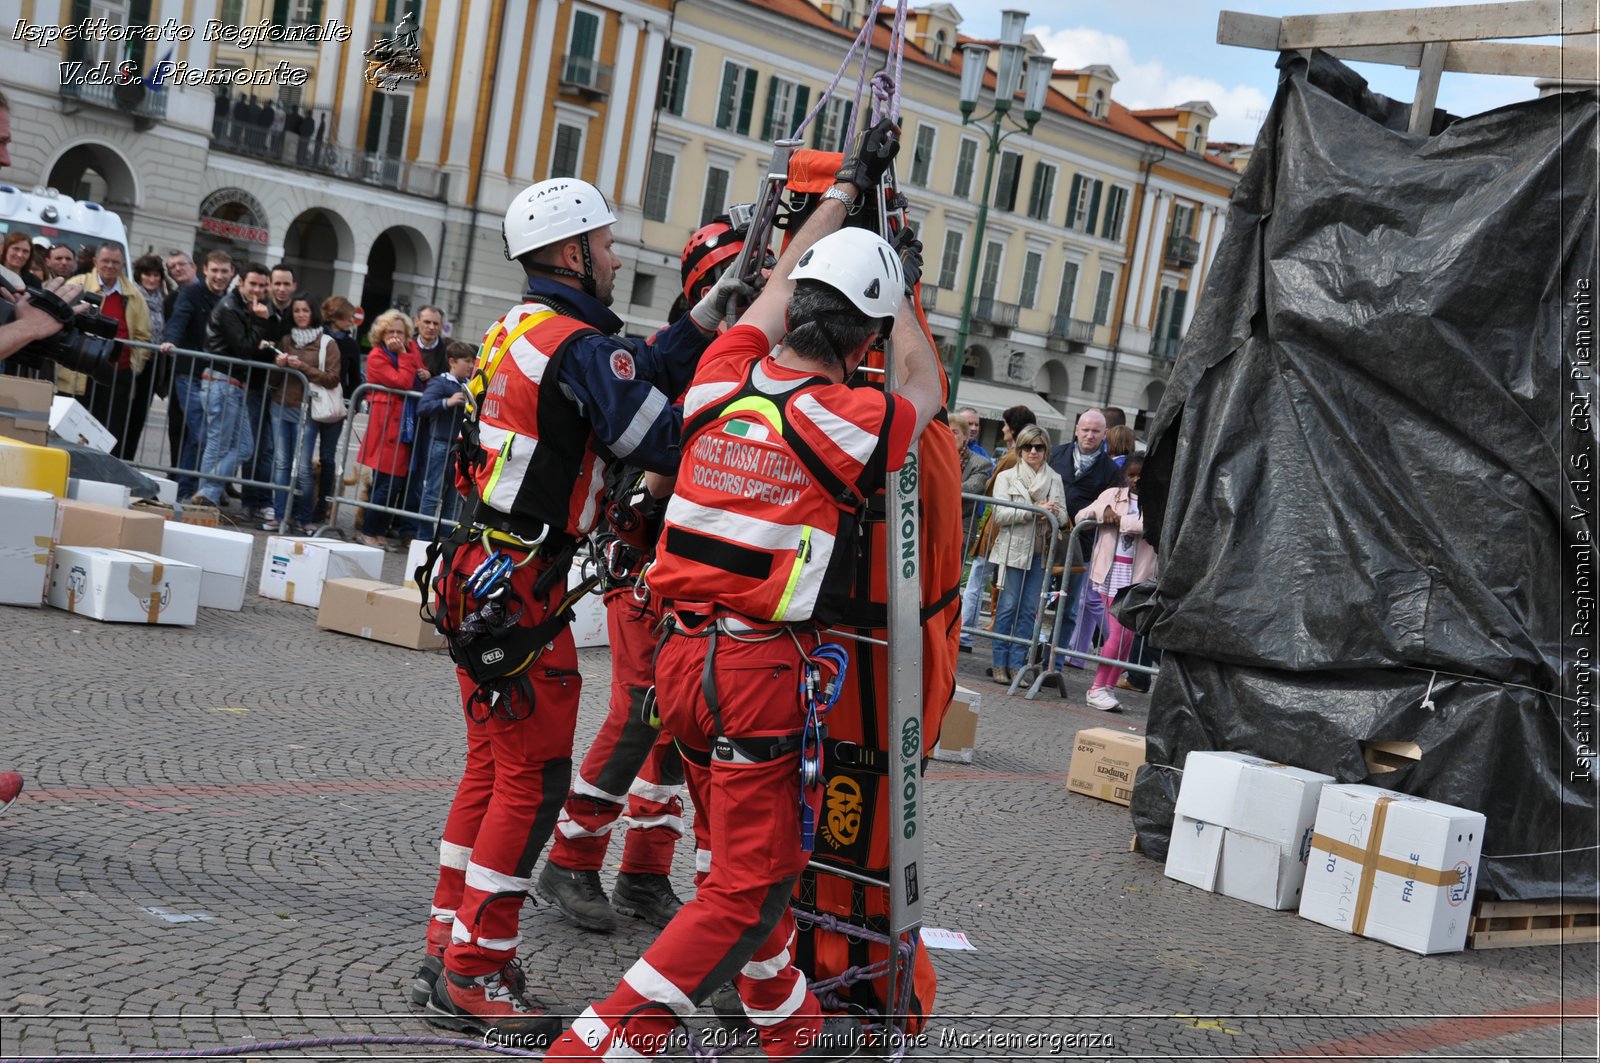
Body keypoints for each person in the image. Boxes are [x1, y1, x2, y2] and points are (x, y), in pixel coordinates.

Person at [540, 122, 937, 1063]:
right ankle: (595, 1046)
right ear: (863, 336)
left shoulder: (721, 382)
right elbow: (923, 378)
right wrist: (905, 284)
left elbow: (762, 293)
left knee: (764, 870)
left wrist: (841, 194)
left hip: (681, 660)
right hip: (757, 671)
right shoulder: (851, 418)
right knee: (742, 885)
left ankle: (787, 1030)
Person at [415, 176, 733, 1040]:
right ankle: (476, 969)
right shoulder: (578, 346)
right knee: (533, 777)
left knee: (492, 767)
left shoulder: (523, 326)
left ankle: (451, 942)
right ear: (571, 252)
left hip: (481, 569)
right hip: (519, 581)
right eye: (606, 243)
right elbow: (661, 433)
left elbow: (636, 368)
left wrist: (705, 322)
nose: (617, 256)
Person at [535, 215, 758, 939]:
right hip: (643, 561)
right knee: (639, 711)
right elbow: (644, 473)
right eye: (744, 288)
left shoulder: (742, 358)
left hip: (694, 572)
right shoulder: (685, 361)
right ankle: (571, 856)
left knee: (673, 726)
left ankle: (644, 869)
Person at [189, 262, 275, 509]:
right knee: (218, 444)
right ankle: (207, 495)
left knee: (245, 446)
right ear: (241, 283)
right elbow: (244, 348)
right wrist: (260, 324)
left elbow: (246, 345)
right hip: (221, 382)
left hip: (233, 384)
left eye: (261, 285)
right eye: (252, 284)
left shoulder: (245, 307)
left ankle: (207, 491)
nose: (257, 290)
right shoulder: (230, 307)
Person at [985, 424, 1066, 685]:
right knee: (1007, 608)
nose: (1034, 451)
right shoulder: (1007, 477)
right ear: (1020, 449)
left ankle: (1017, 666)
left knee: (1030, 611)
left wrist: (1054, 512)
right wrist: (1033, 510)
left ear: (1046, 450)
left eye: (1039, 447)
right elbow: (999, 514)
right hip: (1012, 551)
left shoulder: (1054, 478)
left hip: (1040, 553)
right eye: (1028, 446)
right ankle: (999, 663)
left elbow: (1065, 516)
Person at [1077, 456, 1156, 711]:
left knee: (1128, 637)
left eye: (1141, 476)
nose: (1136, 481)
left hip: (1139, 575)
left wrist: (1121, 521)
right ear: (1125, 476)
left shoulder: (1158, 499)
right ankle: (1097, 687)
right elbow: (1082, 515)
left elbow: (1153, 526)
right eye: (1131, 475)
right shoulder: (1112, 494)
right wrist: (1104, 511)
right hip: (1111, 572)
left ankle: (1108, 685)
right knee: (1119, 634)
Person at [958, 405, 1034, 653]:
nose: (1002, 429)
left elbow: (990, 489)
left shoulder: (1013, 456)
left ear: (1012, 429)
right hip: (1008, 526)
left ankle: (966, 635)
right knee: (999, 585)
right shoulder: (1021, 455)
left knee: (978, 580)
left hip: (1001, 526)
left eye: (1005, 425)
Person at [68, 243, 154, 460]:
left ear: (122, 265)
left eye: (115, 262)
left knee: (110, 431)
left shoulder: (134, 295)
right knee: (74, 430)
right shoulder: (76, 286)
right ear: (95, 261)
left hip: (118, 375)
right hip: (79, 373)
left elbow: (144, 336)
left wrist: (135, 365)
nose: (110, 266)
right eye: (105, 261)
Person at [162, 250, 234, 499]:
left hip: (218, 377)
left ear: (231, 273)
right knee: (201, 433)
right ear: (205, 270)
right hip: (189, 374)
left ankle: (204, 489)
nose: (219, 276)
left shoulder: (232, 298)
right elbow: (179, 319)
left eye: (224, 271)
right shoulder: (191, 293)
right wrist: (171, 340)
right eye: (215, 270)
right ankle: (186, 491)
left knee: (212, 436)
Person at [267, 293, 339, 533]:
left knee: (305, 468)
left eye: (305, 310)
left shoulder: (326, 342)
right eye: (296, 310)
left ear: (313, 313)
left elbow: (332, 378)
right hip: (280, 404)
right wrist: (278, 366)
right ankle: (280, 515)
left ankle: (304, 518)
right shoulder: (285, 339)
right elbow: (274, 379)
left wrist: (303, 367)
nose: (300, 315)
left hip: (306, 409)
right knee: (281, 464)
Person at [356, 309, 426, 548]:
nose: (396, 336)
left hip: (403, 427)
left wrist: (421, 369)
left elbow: (419, 374)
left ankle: (378, 530)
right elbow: (403, 382)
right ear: (382, 334)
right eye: (391, 331)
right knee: (386, 484)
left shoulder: (410, 350)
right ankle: (369, 530)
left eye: (400, 331)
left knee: (392, 484)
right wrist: (405, 357)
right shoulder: (377, 357)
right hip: (386, 426)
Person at [243, 265, 296, 524]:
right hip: (255, 385)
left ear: (293, 286)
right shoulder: (259, 309)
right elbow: (249, 345)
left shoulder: (297, 314)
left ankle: (265, 501)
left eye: (287, 284)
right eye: (277, 284)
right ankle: (250, 500)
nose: (282, 289)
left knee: (272, 449)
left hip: (282, 391)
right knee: (253, 445)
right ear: (270, 286)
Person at [412, 340, 471, 531]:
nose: (471, 366)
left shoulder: (471, 385)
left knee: (455, 496)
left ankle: (446, 537)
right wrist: (447, 402)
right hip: (441, 443)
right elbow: (423, 407)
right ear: (452, 361)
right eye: (467, 361)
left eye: (472, 361)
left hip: (462, 447)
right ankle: (424, 536)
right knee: (432, 492)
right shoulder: (440, 382)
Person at [316, 296, 362, 524]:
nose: (352, 322)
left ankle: (322, 505)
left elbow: (354, 378)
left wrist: (353, 402)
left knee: (328, 456)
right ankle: (304, 502)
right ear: (336, 317)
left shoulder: (351, 344)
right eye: (348, 317)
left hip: (336, 403)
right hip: (312, 398)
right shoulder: (317, 335)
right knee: (303, 458)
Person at [410, 305, 448, 377]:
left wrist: (431, 375)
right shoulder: (406, 345)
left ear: (441, 326)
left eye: (436, 323)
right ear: (416, 322)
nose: (431, 327)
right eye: (427, 322)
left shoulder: (447, 351)